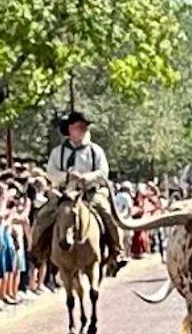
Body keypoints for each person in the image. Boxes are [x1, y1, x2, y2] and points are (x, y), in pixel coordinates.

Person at [32, 112, 126, 273]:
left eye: (84, 127)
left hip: (90, 194)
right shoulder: (58, 152)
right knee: (42, 216)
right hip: (64, 194)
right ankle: (37, 251)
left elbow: (103, 172)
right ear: (70, 129)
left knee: (108, 215)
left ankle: (118, 251)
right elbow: (51, 173)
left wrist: (88, 177)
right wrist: (67, 176)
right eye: (79, 127)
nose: (83, 130)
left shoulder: (95, 151)